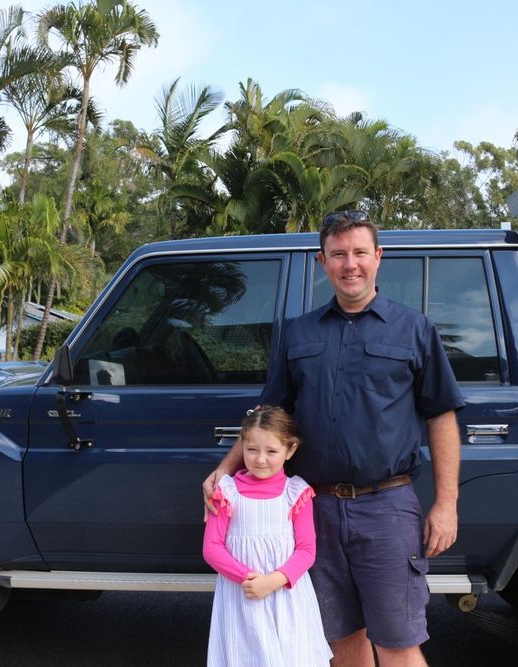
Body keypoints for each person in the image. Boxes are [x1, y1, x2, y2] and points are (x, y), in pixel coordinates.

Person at [204, 211, 465, 667]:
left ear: (378, 257)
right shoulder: (298, 332)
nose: (350, 264)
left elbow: (441, 416)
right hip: (313, 510)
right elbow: (269, 417)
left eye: (360, 252)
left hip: (386, 508)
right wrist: (225, 470)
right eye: (339, 254)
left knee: (398, 643)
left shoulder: (414, 329)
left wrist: (447, 503)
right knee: (339, 641)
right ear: (322, 261)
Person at [203, 405, 333, 667]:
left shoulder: (296, 492)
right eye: (252, 449)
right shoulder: (227, 490)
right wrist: (249, 579)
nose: (260, 459)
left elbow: (306, 549)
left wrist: (274, 580)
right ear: (243, 445)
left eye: (271, 451)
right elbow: (212, 547)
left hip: (286, 597)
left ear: (290, 450)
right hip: (242, 597)